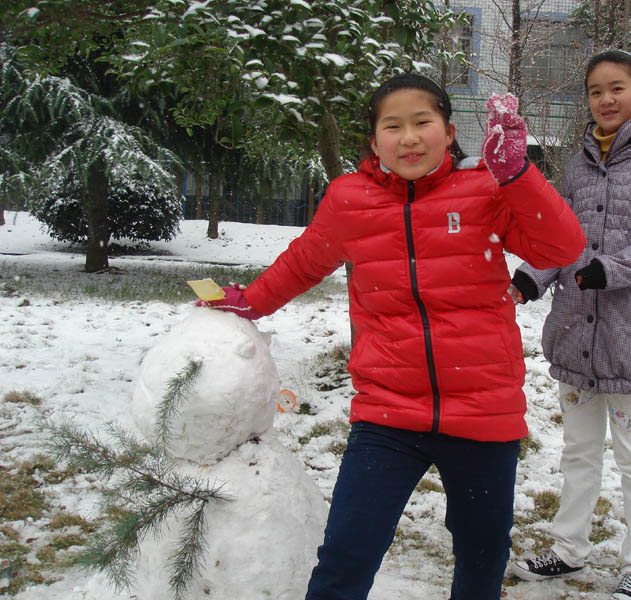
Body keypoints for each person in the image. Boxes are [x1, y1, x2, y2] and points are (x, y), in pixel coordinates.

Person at [199, 73, 585, 599]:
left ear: (449, 132)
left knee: (481, 553)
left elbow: (561, 248)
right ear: (373, 140)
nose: (408, 138)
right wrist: (252, 301)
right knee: (347, 553)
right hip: (388, 411)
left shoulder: (485, 189)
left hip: (483, 411)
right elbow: (305, 261)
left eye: (422, 122)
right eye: (393, 126)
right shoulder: (349, 200)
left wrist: (518, 174)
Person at [507, 50, 631, 600]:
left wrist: (611, 269)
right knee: (578, 451)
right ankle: (569, 549)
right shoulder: (578, 163)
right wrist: (530, 278)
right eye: (596, 91)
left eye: (616, 88)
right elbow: (557, 235)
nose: (606, 99)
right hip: (575, 331)